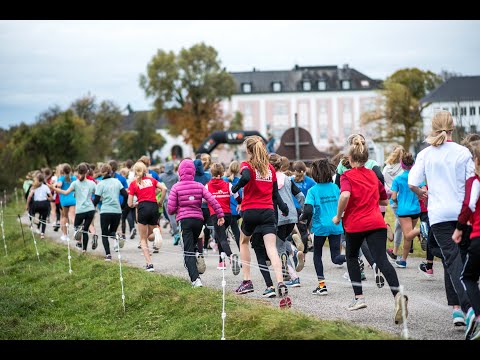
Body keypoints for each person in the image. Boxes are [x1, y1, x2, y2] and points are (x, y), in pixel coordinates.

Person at [409, 111, 474, 330]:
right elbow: (472, 182)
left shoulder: (426, 154)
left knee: (452, 261)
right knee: (461, 260)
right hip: (461, 212)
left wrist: (421, 193)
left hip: (438, 215)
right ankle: (468, 308)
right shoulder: (463, 152)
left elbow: (412, 182)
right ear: (453, 127)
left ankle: (460, 308)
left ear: (433, 128)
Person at [333, 135, 407, 324]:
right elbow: (384, 200)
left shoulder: (346, 175)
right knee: (382, 260)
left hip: (355, 224)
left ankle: (359, 298)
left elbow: (345, 195)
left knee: (351, 256)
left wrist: (338, 215)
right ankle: (398, 296)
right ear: (366, 158)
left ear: (349, 159)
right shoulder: (374, 175)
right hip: (376, 223)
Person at [231, 136, 290, 298]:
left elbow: (246, 177)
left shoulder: (246, 165)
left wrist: (235, 188)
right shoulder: (269, 169)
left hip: (251, 212)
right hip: (268, 212)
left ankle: (247, 281)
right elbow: (275, 194)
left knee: (243, 242)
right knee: (271, 248)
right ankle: (280, 283)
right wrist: (284, 208)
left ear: (249, 151)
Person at [167, 159, 226, 286]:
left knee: (187, 250)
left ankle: (195, 279)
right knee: (192, 245)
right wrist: (220, 214)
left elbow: (170, 210)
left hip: (185, 221)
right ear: (193, 172)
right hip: (198, 221)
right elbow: (212, 200)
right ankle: (197, 255)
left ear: (180, 172)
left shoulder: (176, 187)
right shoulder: (199, 186)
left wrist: (180, 208)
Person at [300, 158, 345, 296]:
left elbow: (307, 210)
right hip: (336, 225)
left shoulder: (313, 191)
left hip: (320, 227)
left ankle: (322, 286)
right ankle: (351, 257)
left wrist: (302, 220)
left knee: (317, 255)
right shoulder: (335, 188)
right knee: (336, 257)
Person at [452, 139, 480, 340]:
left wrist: (460, 228)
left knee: (467, 276)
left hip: (477, 235)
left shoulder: (474, 181)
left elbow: (469, 205)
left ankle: (478, 316)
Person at [127, 161, 167, 272]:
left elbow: (129, 204)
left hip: (143, 207)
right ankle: (156, 231)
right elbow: (164, 189)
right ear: (145, 170)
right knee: (151, 234)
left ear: (135, 172)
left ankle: (149, 264)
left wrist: (135, 204)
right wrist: (160, 201)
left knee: (143, 239)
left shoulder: (133, 184)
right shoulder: (152, 180)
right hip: (154, 206)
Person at [51, 163, 96, 253]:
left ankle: (79, 241)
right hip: (90, 209)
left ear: (78, 172)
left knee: (76, 227)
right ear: (87, 172)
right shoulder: (92, 183)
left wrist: (53, 188)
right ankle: (89, 243)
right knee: (85, 230)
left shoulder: (75, 183)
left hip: (80, 210)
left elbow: (65, 192)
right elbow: (97, 194)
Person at [205, 163, 241, 273]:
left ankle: (230, 257)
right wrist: (240, 203)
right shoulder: (228, 185)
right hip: (228, 215)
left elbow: (203, 199)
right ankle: (221, 262)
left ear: (211, 173)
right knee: (222, 236)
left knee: (222, 238)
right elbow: (237, 195)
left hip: (216, 215)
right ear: (222, 173)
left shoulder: (207, 186)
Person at [390, 152, 421, 268]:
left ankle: (421, 230)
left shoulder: (398, 179)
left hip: (403, 211)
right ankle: (403, 260)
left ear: (402, 165)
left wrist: (398, 202)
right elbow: (423, 190)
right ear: (413, 164)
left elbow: (393, 197)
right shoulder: (417, 177)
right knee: (408, 235)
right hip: (416, 209)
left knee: (407, 235)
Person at [93, 164, 129, 261]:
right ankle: (117, 236)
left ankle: (108, 255)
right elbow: (125, 195)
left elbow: (96, 200)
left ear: (101, 172)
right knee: (112, 231)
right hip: (117, 211)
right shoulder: (117, 182)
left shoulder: (100, 184)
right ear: (110, 171)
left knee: (104, 234)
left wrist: (92, 207)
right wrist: (123, 206)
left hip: (105, 211)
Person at [383, 145, 405, 261]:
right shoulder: (403, 169)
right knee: (404, 224)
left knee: (399, 224)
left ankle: (395, 251)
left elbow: (384, 182)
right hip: (404, 197)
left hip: (393, 198)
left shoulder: (386, 168)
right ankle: (414, 237)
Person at [53, 164, 77, 242]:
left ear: (62, 171)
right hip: (73, 199)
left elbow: (59, 185)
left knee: (64, 217)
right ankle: (76, 229)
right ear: (70, 170)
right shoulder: (74, 178)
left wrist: (55, 185)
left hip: (64, 200)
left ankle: (65, 235)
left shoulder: (61, 178)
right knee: (72, 216)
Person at [26, 172, 52, 239]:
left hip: (36, 204)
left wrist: (27, 205)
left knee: (32, 211)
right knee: (43, 220)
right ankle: (42, 234)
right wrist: (47, 198)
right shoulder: (46, 187)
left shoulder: (33, 187)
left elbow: (29, 197)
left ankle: (34, 218)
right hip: (44, 204)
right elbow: (51, 198)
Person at [160, 161, 180, 245]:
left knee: (171, 218)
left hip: (166, 198)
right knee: (178, 216)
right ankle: (179, 231)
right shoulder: (176, 176)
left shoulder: (161, 176)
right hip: (176, 196)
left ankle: (176, 234)